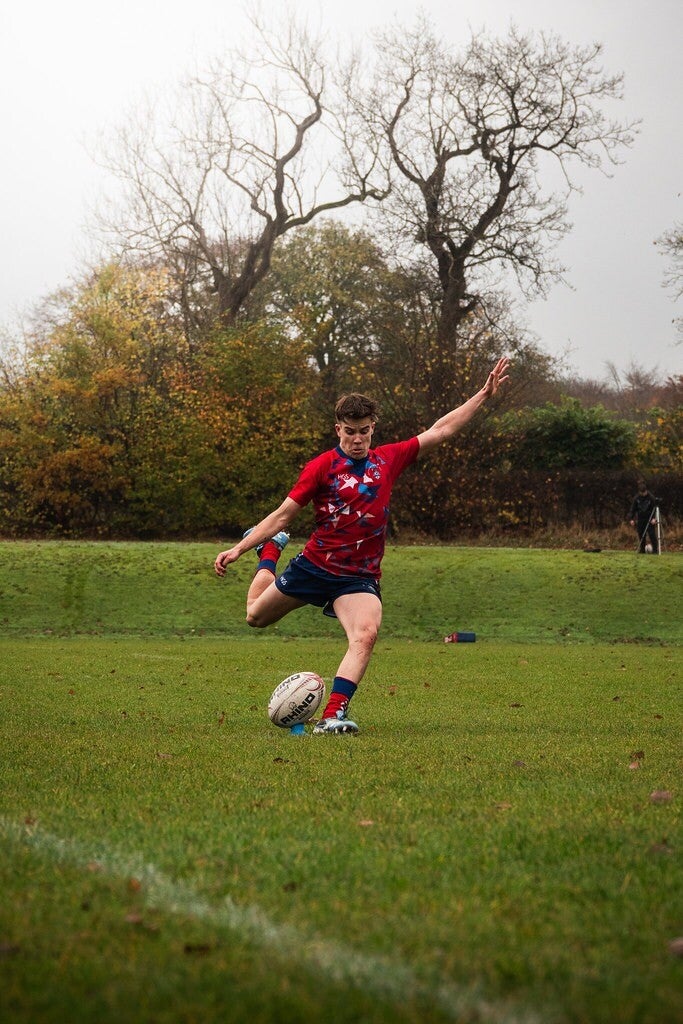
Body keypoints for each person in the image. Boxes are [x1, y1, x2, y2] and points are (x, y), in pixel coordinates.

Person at [214, 357, 510, 734]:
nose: (357, 439)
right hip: (315, 566)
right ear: (338, 429)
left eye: (364, 431)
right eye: (350, 432)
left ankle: (332, 716)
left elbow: (441, 430)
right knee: (255, 616)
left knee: (365, 634)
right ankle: (269, 552)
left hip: (358, 576)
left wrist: (483, 394)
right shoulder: (321, 467)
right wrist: (239, 548)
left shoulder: (387, 459)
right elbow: (284, 514)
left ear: (373, 428)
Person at [629, 481, 659, 554]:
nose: (643, 494)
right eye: (642, 493)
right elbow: (633, 509)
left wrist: (654, 518)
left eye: (644, 492)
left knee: (652, 534)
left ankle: (655, 550)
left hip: (650, 518)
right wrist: (631, 519)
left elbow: (655, 508)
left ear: (646, 490)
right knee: (641, 534)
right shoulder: (636, 498)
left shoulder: (651, 497)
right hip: (640, 518)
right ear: (639, 492)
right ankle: (642, 549)